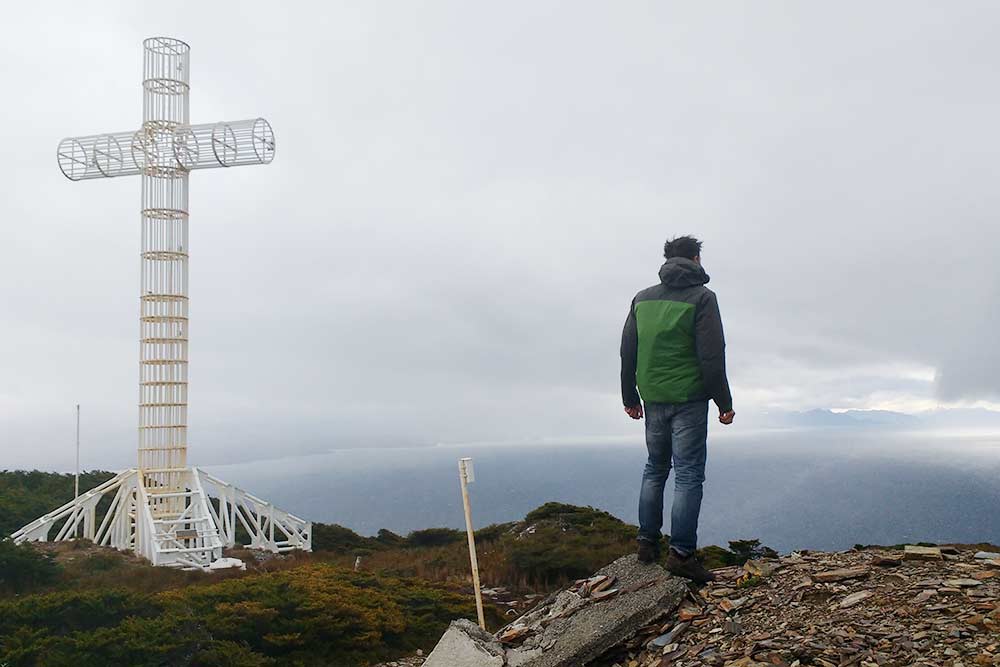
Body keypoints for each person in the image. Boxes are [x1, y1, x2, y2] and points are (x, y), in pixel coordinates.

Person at [620, 235, 734, 583]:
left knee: (655, 467)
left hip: (652, 397)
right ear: (696, 259)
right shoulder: (703, 298)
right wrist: (724, 403)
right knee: (687, 473)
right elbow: (712, 356)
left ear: (667, 259)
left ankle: (646, 543)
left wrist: (630, 397)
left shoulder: (642, 299)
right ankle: (682, 554)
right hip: (689, 400)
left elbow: (628, 351)